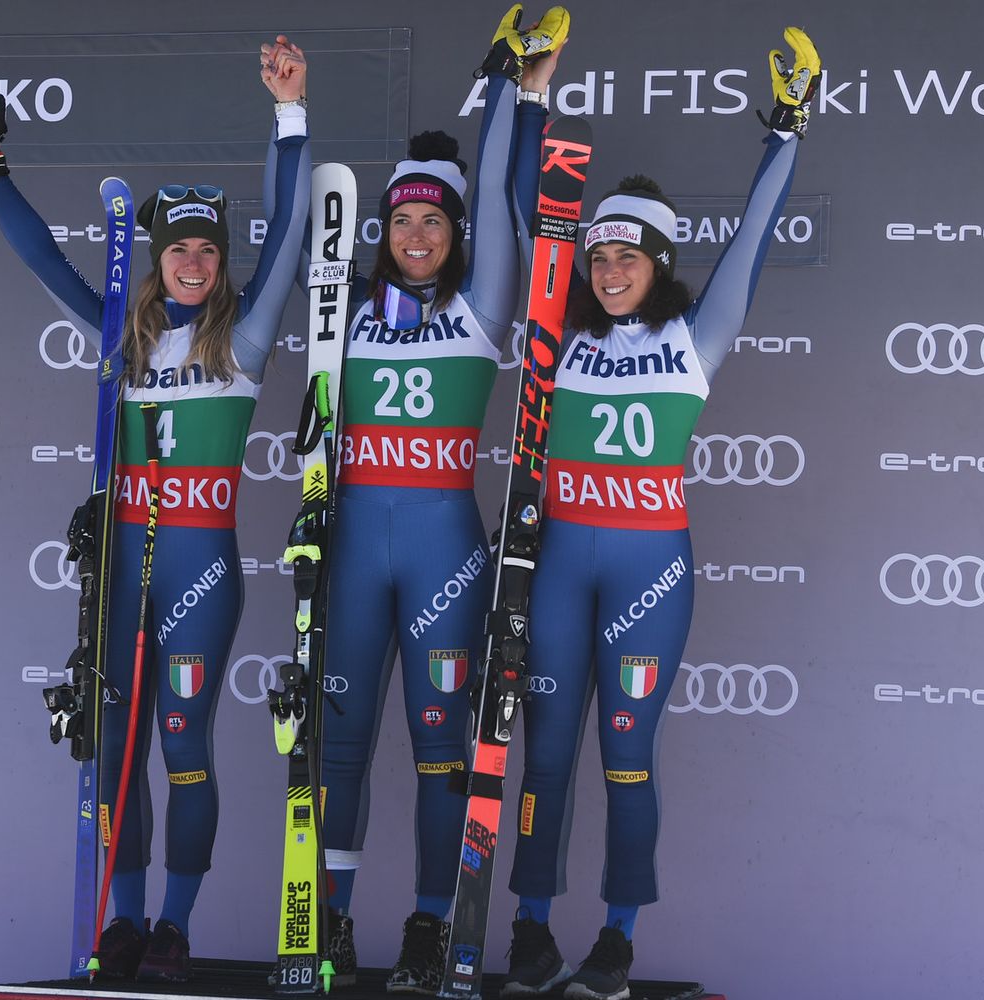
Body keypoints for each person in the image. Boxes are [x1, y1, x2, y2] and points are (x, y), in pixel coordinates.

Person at [0, 37, 312, 983]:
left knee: (184, 745)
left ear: (222, 262)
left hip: (200, 570)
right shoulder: (122, 334)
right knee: (112, 748)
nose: (193, 262)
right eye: (179, 248)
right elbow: (42, 259)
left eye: (208, 249)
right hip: (122, 566)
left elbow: (290, 234)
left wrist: (290, 113)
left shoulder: (246, 337)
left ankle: (174, 926)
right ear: (157, 259)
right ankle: (124, 919)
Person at [499, 26, 822, 1000]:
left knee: (627, 759)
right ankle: (529, 932)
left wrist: (788, 130)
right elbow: (523, 208)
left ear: (659, 261)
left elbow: (755, 234)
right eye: (597, 255)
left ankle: (616, 941)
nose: (607, 271)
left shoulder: (697, 333)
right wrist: (528, 96)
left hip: (650, 571)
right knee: (546, 757)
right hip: (561, 565)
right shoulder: (557, 330)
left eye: (626, 257)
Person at [311, 6, 567, 993]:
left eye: (434, 220)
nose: (416, 235)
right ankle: (330, 920)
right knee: (338, 746)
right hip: (352, 546)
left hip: (443, 552)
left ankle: (427, 924)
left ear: (456, 232)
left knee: (437, 752)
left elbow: (501, 191)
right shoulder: (347, 309)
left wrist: (510, 87)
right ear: (384, 230)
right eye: (402, 220)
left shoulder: (481, 306)